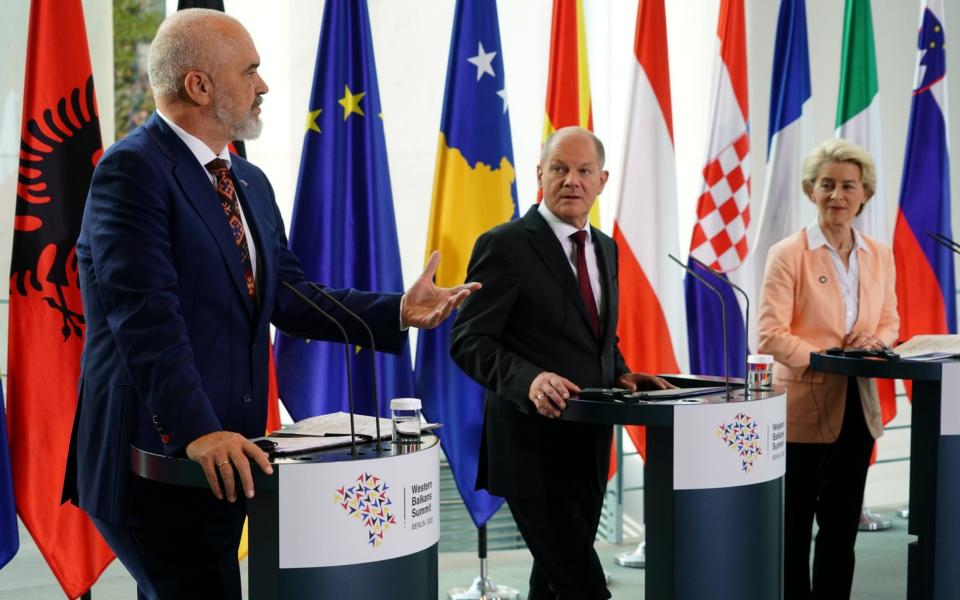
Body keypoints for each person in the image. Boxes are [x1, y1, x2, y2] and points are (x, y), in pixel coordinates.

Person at [61, 9, 477, 599]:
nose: (263, 86)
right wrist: (198, 432)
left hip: (232, 456)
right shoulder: (133, 170)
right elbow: (145, 319)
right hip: (158, 457)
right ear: (199, 85)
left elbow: (288, 293)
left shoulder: (248, 182)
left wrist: (396, 312)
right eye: (250, 71)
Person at [451, 126, 668, 600]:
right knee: (584, 587)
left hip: (589, 448)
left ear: (601, 180)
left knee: (550, 585)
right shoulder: (504, 245)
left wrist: (622, 371)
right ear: (540, 174)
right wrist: (529, 380)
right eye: (560, 168)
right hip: (530, 449)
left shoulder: (605, 247)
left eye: (583, 170)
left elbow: (596, 337)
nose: (572, 180)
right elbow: (468, 340)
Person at [757, 138, 899, 599]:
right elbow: (770, 335)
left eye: (848, 186)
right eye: (827, 184)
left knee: (841, 530)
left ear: (865, 194)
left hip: (857, 408)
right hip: (801, 410)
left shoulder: (879, 254)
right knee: (793, 532)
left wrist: (875, 342)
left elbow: (889, 321)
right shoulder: (788, 253)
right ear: (810, 191)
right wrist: (826, 358)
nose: (837, 195)